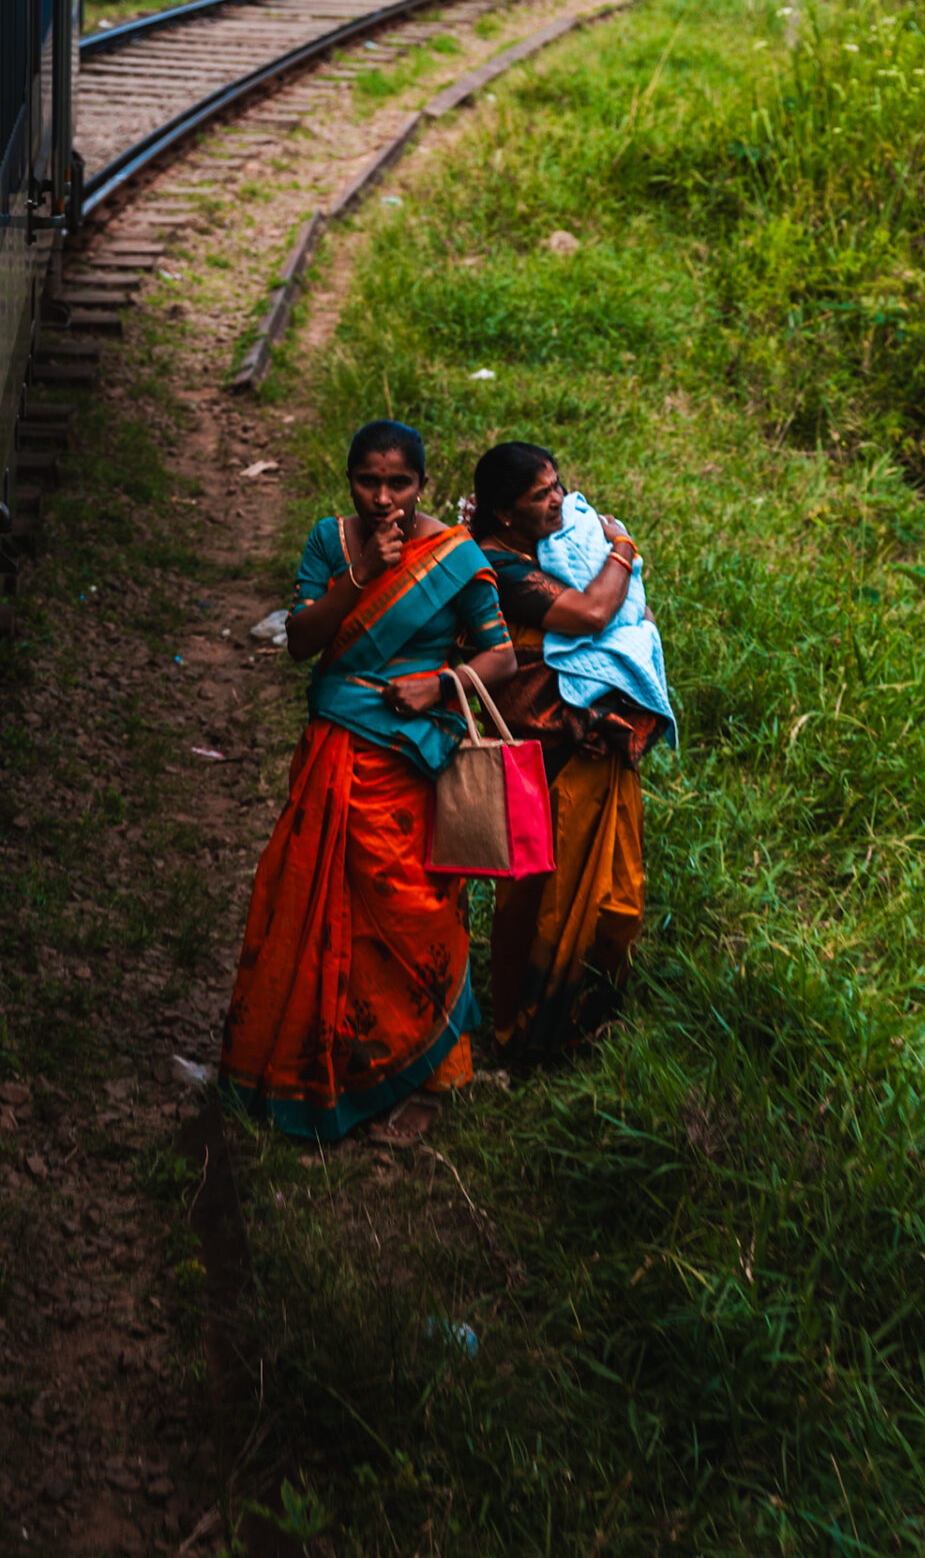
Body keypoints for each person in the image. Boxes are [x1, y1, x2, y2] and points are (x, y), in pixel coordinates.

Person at [220, 420, 516, 1140]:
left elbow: (500, 658)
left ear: (424, 483)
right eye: (367, 481)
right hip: (333, 750)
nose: (384, 497)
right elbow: (299, 641)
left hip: (408, 761)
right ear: (348, 479)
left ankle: (426, 1071)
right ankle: (313, 1056)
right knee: (311, 903)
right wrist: (362, 576)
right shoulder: (332, 541)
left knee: (414, 911)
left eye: (399, 483)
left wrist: (439, 686)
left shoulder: (453, 553)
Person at [468, 441, 667, 1061]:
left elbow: (627, 616)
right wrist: (625, 551)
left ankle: (589, 1018)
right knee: (539, 898)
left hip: (597, 743)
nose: (557, 499)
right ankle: (528, 1029)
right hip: (544, 753)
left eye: (557, 485)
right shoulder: (500, 564)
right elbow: (592, 612)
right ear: (504, 513)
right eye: (539, 495)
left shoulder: (554, 544)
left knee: (617, 890)